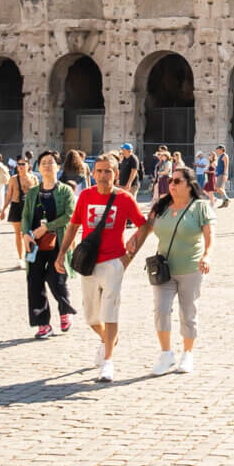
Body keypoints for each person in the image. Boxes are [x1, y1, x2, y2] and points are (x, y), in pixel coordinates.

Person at [57, 153, 148, 382]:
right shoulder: (86, 196)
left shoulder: (125, 199)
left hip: (113, 262)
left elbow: (145, 226)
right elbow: (73, 226)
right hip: (88, 263)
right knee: (90, 316)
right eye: (99, 171)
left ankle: (108, 362)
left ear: (116, 174)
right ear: (93, 173)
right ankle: (108, 339)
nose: (103, 175)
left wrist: (129, 256)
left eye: (108, 171)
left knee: (110, 312)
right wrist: (61, 255)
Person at [125, 166, 215, 376]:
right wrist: (135, 238)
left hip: (190, 268)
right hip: (163, 268)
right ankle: (166, 354)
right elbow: (147, 227)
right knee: (161, 310)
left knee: (188, 312)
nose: (172, 185)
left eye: (177, 181)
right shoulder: (162, 206)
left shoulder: (200, 207)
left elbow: (210, 235)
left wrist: (207, 255)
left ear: (189, 185)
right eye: (171, 181)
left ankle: (188, 353)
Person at [20, 150, 76, 340]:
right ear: (38, 167)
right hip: (35, 244)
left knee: (56, 278)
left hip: (58, 242)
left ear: (58, 167)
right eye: (43, 162)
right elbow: (26, 216)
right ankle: (43, 324)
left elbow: (70, 215)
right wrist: (25, 235)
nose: (46, 166)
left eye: (51, 162)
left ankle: (64, 309)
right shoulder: (33, 192)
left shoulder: (65, 191)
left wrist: (47, 227)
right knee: (34, 281)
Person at [6, 158, 37, 267]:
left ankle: (30, 256)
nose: (20, 166)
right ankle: (20, 259)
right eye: (19, 164)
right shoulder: (13, 179)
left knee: (30, 233)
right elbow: (9, 194)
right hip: (16, 206)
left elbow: (38, 195)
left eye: (23, 164)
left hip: (29, 208)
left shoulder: (34, 178)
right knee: (18, 234)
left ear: (28, 166)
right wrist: (4, 209)